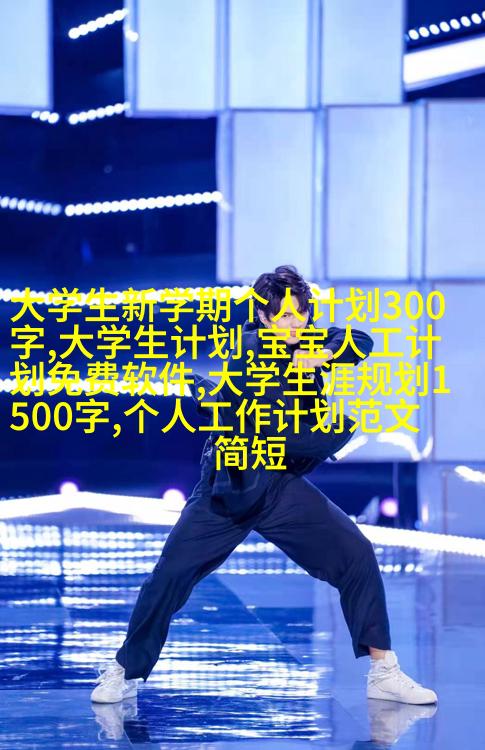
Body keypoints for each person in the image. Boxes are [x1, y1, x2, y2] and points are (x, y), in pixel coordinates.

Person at [91, 265, 437, 706]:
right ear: (263, 316)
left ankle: (384, 671)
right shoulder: (251, 352)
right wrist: (336, 428)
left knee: (356, 554)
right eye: (286, 316)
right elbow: (283, 425)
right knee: (169, 577)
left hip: (278, 486)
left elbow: (360, 341)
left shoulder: (305, 340)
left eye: (302, 313)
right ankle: (124, 671)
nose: (296, 323)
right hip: (230, 486)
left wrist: (325, 351)